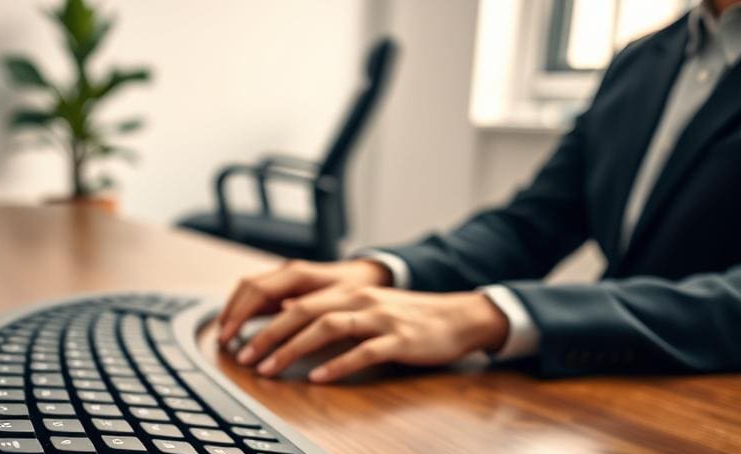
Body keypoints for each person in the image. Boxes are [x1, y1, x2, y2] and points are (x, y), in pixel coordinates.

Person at [217, 0, 741, 381]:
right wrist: (381, 272)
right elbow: (530, 225)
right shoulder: (641, 61)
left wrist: (490, 315)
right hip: (615, 410)